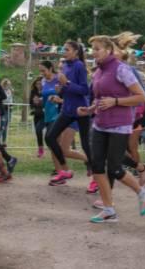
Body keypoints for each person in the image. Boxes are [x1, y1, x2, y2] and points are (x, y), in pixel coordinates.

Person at [79, 33, 145, 223]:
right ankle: (109, 209)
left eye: (97, 49)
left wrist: (116, 101)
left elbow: (141, 97)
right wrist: (90, 108)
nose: (93, 53)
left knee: (114, 169)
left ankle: (142, 192)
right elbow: (100, 97)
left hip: (120, 125)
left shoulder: (121, 69)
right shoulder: (98, 71)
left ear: (109, 50)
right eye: (92, 49)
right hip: (100, 124)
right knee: (96, 166)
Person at [45, 41, 93, 189]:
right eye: (63, 49)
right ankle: (65, 170)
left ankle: (96, 177)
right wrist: (59, 90)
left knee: (86, 145)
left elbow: (85, 90)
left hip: (81, 111)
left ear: (76, 52)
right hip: (67, 110)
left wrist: (66, 83)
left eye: (67, 49)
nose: (64, 51)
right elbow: (66, 88)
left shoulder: (79, 66)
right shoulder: (65, 65)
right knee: (50, 137)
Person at [30, 77, 45, 158]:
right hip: (37, 114)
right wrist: (34, 104)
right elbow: (30, 103)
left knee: (39, 129)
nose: (38, 85)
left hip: (45, 115)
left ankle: (52, 148)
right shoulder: (33, 91)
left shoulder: (45, 91)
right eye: (37, 84)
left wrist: (40, 102)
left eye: (40, 83)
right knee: (38, 132)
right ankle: (40, 149)